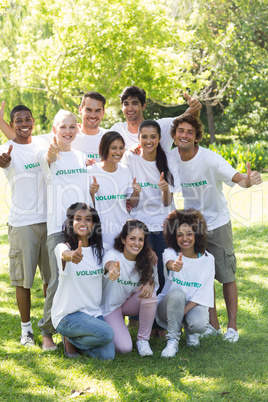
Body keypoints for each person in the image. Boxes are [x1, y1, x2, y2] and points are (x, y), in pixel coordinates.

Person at [168, 115, 263, 342]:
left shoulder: (210, 159)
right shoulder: (171, 157)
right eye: (180, 131)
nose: (184, 135)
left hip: (217, 223)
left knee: (226, 275)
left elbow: (238, 178)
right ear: (174, 135)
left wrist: (249, 180)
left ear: (196, 136)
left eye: (190, 132)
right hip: (193, 227)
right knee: (203, 276)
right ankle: (214, 325)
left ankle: (232, 327)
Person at [37, 110, 91, 351]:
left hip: (82, 229)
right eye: (62, 127)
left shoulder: (81, 157)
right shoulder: (48, 154)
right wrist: (50, 155)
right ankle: (47, 332)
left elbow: (85, 191)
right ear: (54, 131)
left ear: (77, 129)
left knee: (78, 280)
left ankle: (71, 331)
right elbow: (47, 161)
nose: (68, 131)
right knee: (57, 280)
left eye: (71, 127)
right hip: (58, 229)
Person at [0, 105, 50, 346]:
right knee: (23, 281)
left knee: (51, 279)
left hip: (49, 222)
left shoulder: (42, 144)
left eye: (27, 118)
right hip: (22, 225)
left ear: (33, 120)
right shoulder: (5, 150)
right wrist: (4, 161)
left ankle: (49, 326)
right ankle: (26, 330)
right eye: (17, 120)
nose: (23, 123)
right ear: (12, 123)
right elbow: (3, 161)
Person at [122, 119, 181, 294]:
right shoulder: (130, 158)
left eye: (153, 137)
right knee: (142, 271)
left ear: (159, 138)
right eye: (144, 137)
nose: (149, 141)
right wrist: (136, 193)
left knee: (163, 272)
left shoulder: (169, 161)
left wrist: (165, 190)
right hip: (141, 225)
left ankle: (161, 317)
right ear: (138, 139)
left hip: (164, 225)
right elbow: (132, 203)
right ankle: (136, 317)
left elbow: (166, 203)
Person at [51, 202, 115, 360]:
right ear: (71, 223)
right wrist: (72, 256)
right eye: (78, 218)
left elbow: (109, 262)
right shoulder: (62, 246)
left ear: (94, 224)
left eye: (88, 219)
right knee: (107, 333)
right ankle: (68, 336)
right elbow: (64, 255)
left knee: (108, 356)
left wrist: (112, 268)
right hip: (67, 315)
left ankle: (73, 340)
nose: (83, 223)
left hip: (93, 314)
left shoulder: (103, 249)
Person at [157, 209, 215, 357]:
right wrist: (173, 265)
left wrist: (181, 314)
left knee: (200, 324)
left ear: (197, 234)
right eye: (179, 235)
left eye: (189, 233)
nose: (185, 239)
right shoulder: (170, 253)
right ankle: (172, 340)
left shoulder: (208, 259)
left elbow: (203, 293)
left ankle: (191, 333)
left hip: (189, 307)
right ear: (173, 237)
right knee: (177, 294)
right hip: (167, 308)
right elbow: (169, 263)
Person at [101, 219, 158, 356]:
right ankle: (111, 328)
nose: (136, 243)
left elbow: (154, 285)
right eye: (132, 238)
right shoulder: (113, 255)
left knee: (150, 295)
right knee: (124, 348)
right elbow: (109, 263)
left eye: (140, 239)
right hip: (111, 307)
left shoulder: (148, 260)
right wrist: (112, 269)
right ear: (123, 239)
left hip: (128, 304)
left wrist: (150, 282)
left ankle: (143, 340)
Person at [0, 91, 107, 161]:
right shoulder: (65, 135)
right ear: (80, 110)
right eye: (88, 110)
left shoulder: (108, 137)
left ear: (103, 112)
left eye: (97, 111)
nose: (93, 115)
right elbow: (20, 139)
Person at [88, 131, 141, 246]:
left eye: (121, 148)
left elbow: (133, 203)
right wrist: (92, 193)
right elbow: (88, 206)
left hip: (123, 234)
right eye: (113, 148)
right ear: (104, 149)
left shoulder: (125, 169)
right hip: (100, 235)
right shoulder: (91, 171)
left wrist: (136, 192)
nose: (118, 152)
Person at [110, 86, 201, 152]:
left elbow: (189, 118)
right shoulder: (117, 130)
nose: (130, 108)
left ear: (143, 106)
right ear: (122, 107)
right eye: (126, 104)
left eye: (135, 103)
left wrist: (195, 107)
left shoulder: (161, 126)